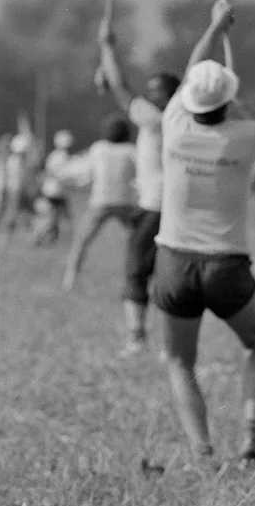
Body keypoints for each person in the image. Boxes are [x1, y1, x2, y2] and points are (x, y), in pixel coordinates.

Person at [149, 3, 255, 467]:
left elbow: (191, 74)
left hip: (173, 263)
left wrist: (213, 25)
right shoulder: (246, 136)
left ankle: (203, 453)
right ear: (227, 101)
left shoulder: (174, 126)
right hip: (227, 264)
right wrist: (242, 105)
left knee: (180, 362)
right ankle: (252, 437)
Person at [96, 27, 182, 355]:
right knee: (166, 275)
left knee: (136, 271)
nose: (148, 95)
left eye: (154, 91)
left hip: (153, 206)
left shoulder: (155, 118)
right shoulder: (183, 117)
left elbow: (120, 85)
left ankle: (137, 338)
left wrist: (106, 46)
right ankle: (167, 343)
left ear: (168, 95)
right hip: (173, 208)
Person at [60, 115, 139, 291]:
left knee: (82, 240)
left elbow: (84, 171)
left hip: (100, 201)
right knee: (137, 242)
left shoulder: (98, 149)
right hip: (126, 202)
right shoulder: (130, 150)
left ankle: (70, 277)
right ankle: (137, 278)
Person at [31, 131, 76, 246]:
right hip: (56, 192)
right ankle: (38, 240)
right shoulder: (62, 157)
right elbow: (63, 174)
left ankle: (51, 240)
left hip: (52, 191)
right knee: (53, 219)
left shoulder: (53, 155)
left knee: (55, 218)